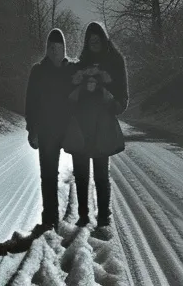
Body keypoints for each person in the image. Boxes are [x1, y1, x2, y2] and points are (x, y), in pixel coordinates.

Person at [70, 22, 128, 228]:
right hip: (81, 126)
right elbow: (69, 97)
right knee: (81, 174)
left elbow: (122, 102)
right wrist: (78, 83)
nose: (94, 43)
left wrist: (106, 92)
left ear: (104, 39)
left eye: (97, 39)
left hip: (102, 126)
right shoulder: (80, 63)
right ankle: (83, 215)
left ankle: (103, 216)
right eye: (90, 40)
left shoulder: (115, 62)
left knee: (101, 175)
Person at [24, 28, 74, 230]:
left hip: (68, 129)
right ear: (47, 49)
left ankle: (82, 215)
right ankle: (49, 217)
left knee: (80, 172)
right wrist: (31, 129)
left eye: (58, 47)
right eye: (51, 47)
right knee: (48, 175)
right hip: (45, 131)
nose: (54, 51)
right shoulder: (38, 70)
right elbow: (30, 102)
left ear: (64, 49)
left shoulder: (70, 70)